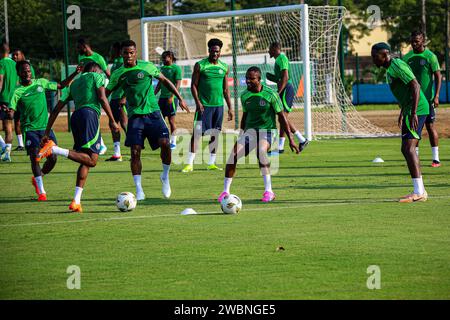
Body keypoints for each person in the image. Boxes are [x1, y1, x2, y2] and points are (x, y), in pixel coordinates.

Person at [105, 40, 189, 201]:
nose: (128, 56)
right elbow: (106, 93)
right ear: (121, 54)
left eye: (131, 52)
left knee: (165, 144)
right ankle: (139, 189)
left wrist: (180, 98)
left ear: (135, 53)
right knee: (135, 151)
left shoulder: (147, 66)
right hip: (135, 116)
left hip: (154, 113)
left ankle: (165, 176)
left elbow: (165, 81)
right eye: (125, 53)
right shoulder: (117, 73)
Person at [37, 62, 119, 212]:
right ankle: (54, 149)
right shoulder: (96, 76)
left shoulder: (73, 85)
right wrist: (112, 120)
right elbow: (102, 97)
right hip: (89, 115)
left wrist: (46, 133)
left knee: (85, 160)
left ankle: (76, 201)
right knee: (93, 160)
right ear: (95, 70)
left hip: (76, 118)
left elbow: (55, 110)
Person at [218, 66, 299, 203]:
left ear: (259, 79)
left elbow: (282, 118)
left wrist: (291, 139)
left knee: (261, 152)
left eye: (252, 78)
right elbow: (245, 116)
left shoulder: (271, 94)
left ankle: (269, 191)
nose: (248, 81)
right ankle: (225, 191)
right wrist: (241, 134)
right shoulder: (245, 95)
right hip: (250, 131)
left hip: (267, 131)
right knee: (233, 156)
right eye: (247, 78)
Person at [7, 61, 81, 201]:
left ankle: (38, 177)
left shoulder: (41, 82)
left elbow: (61, 85)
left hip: (45, 129)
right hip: (30, 130)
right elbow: (12, 111)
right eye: (24, 71)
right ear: (19, 73)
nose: (27, 73)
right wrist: (9, 113)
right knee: (35, 158)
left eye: (28, 71)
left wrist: (75, 73)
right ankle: (42, 192)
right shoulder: (17, 91)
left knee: (53, 158)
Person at [371, 42, 429, 203]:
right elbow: (406, 89)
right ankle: (420, 190)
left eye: (375, 57)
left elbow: (415, 85)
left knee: (408, 148)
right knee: (408, 149)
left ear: (385, 54)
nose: (373, 60)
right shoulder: (391, 68)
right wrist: (403, 111)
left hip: (417, 108)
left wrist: (413, 112)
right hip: (410, 108)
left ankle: (419, 192)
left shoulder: (396, 65)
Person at [181, 38, 233, 173]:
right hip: (204, 107)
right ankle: (189, 164)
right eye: (213, 51)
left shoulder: (224, 67)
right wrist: (198, 102)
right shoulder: (200, 65)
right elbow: (193, 85)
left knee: (215, 134)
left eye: (217, 51)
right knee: (197, 134)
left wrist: (230, 108)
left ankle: (211, 163)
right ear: (208, 50)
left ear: (220, 52)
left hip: (219, 106)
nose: (215, 53)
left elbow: (226, 90)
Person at [403, 30, 442, 167]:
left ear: (423, 40)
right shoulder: (407, 57)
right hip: (413, 101)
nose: (414, 43)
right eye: (412, 41)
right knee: (414, 129)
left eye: (417, 41)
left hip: (428, 99)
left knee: (430, 127)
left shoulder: (430, 56)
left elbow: (438, 76)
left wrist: (436, 95)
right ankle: (416, 157)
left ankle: (436, 158)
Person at [266, 42, 308, 155]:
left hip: (286, 90)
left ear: (275, 49)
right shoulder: (278, 60)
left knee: (282, 117)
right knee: (281, 118)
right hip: (283, 90)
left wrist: (279, 92)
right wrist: (272, 77)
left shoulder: (282, 58)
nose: (268, 51)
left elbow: (286, 77)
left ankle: (300, 140)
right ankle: (284, 145)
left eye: (270, 49)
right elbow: (280, 78)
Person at [77, 37, 109, 154]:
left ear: (85, 47)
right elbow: (81, 74)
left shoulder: (98, 58)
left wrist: (113, 88)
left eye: (79, 47)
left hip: (97, 85)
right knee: (89, 114)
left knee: (93, 112)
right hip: (86, 88)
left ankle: (99, 143)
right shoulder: (81, 57)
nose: (77, 49)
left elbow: (107, 73)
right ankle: (99, 143)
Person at [154, 51, 182, 150]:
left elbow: (177, 84)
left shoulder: (176, 68)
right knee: (160, 120)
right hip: (162, 98)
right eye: (162, 58)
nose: (163, 60)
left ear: (170, 57)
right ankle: (163, 139)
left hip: (171, 98)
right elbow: (159, 84)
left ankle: (173, 142)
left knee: (171, 120)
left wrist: (172, 96)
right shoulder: (162, 69)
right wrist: (153, 94)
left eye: (165, 57)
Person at [105, 42, 128, 161]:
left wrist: (124, 97)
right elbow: (114, 80)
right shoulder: (115, 63)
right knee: (114, 124)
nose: (110, 52)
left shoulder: (120, 63)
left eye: (112, 50)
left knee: (124, 124)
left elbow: (126, 79)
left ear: (118, 51)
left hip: (119, 98)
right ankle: (117, 153)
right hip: (115, 97)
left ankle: (135, 149)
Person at [11, 48, 36, 152]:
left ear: (22, 55)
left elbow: (33, 82)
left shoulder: (28, 67)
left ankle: (35, 141)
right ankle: (21, 144)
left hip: (27, 99)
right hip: (17, 98)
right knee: (16, 121)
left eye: (17, 55)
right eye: (13, 55)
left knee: (28, 120)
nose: (14, 56)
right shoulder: (13, 67)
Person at [0, 41, 18, 162]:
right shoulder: (15, 64)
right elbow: (17, 82)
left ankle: (3, 149)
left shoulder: (1, 63)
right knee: (8, 127)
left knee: (7, 127)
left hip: (3, 98)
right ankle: (6, 152)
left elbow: (0, 81)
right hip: (12, 99)